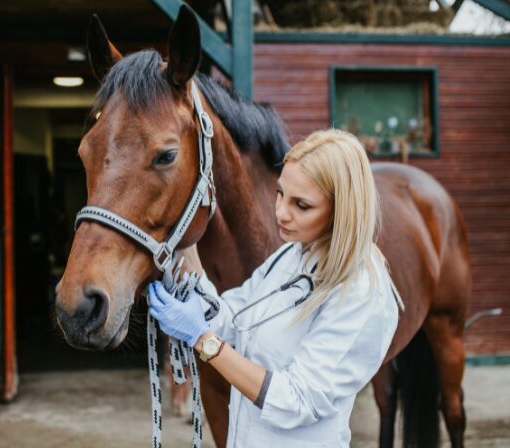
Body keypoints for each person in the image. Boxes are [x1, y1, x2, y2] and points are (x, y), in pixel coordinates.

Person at [147, 129, 403, 447]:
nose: (281, 212)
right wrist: (188, 253)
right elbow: (233, 319)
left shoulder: (361, 294)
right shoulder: (292, 253)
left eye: (302, 205)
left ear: (343, 211)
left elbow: (295, 401)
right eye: (281, 193)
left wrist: (202, 341)